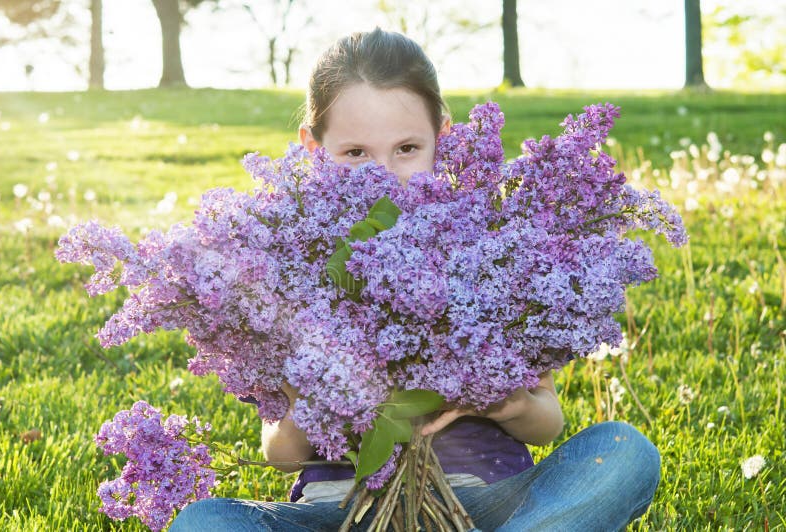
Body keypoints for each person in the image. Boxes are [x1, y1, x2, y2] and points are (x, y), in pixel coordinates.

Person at [171, 28, 660, 531]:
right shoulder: (283, 262)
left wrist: (506, 402)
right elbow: (280, 452)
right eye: (355, 153)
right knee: (204, 521)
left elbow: (546, 422)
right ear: (313, 149)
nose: (383, 174)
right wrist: (310, 399)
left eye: (406, 148)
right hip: (337, 512)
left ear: (442, 138)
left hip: (487, 504)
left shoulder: (495, 241)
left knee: (623, 452)